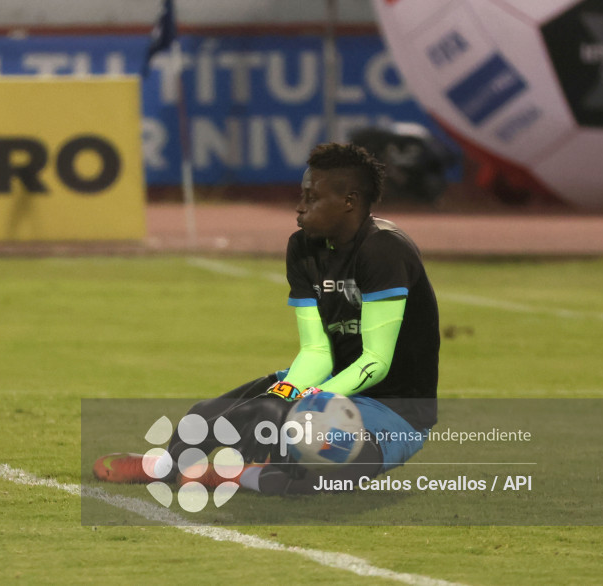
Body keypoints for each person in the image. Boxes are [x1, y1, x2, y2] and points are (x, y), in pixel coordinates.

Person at [94, 143, 440, 495]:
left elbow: (376, 362)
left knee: (322, 466)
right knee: (204, 418)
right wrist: (283, 392)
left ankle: (238, 476)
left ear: (349, 201)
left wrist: (302, 402)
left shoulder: (384, 250)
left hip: (394, 409)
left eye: (312, 197)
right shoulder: (303, 248)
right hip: (332, 381)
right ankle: (166, 467)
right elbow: (317, 351)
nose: (300, 206)